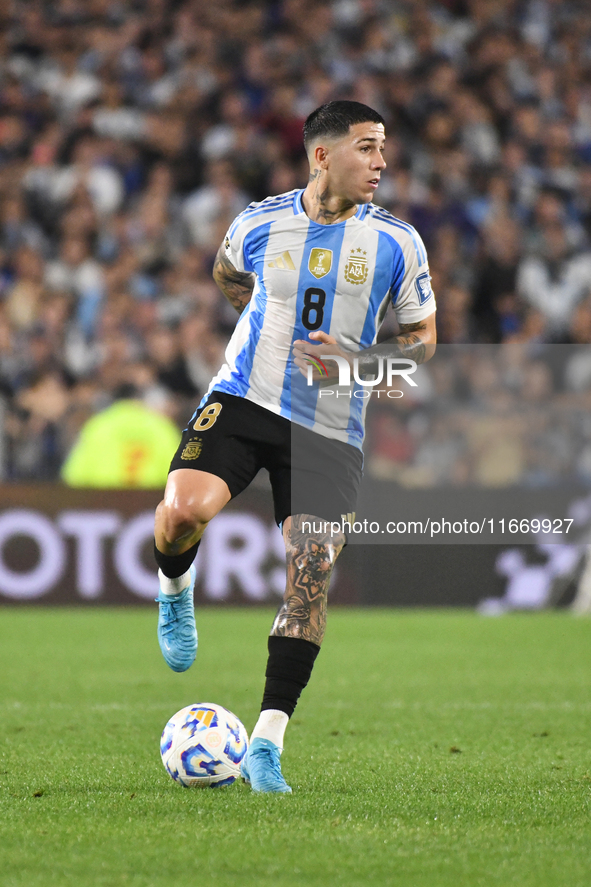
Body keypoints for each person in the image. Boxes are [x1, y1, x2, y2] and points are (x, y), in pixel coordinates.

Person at [153, 101, 437, 793]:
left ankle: (265, 744)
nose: (381, 162)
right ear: (321, 155)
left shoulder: (398, 242)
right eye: (367, 148)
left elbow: (423, 344)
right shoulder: (257, 220)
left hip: (330, 427)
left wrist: (354, 361)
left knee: (309, 571)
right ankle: (173, 590)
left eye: (382, 149)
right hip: (245, 397)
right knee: (182, 511)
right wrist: (265, 334)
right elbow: (228, 279)